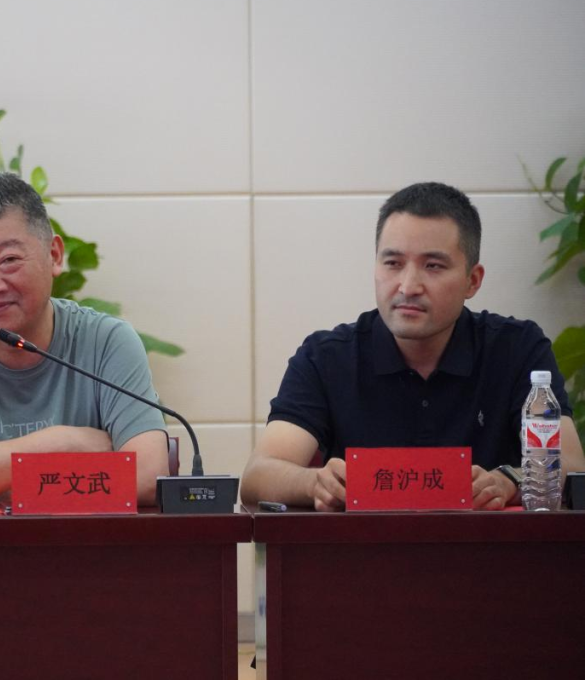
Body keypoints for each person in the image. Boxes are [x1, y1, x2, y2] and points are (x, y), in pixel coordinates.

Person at [241, 181, 585, 510]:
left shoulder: (517, 349)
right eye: (392, 263)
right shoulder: (326, 357)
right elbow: (259, 475)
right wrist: (315, 483)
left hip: (486, 549)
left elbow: (571, 466)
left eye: (433, 266)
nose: (408, 286)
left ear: (472, 280)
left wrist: (511, 480)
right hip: (363, 550)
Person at [0, 172, 168, 507]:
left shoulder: (107, 342)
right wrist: (62, 444)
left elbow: (146, 475)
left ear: (54, 255)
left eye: (9, 260)